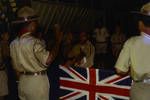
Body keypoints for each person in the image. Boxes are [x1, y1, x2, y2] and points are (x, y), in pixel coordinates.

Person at [10, 6, 63, 100]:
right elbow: (48, 60)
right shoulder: (34, 42)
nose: (36, 24)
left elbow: (15, 69)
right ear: (31, 24)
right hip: (36, 83)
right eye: (35, 22)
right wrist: (58, 41)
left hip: (22, 82)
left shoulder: (13, 43)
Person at [115, 2, 150, 100]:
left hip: (142, 91)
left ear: (141, 23)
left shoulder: (132, 43)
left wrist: (133, 71)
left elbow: (120, 70)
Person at [0, 31, 9, 100]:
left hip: (3, 69)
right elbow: (6, 55)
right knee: (2, 92)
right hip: (1, 71)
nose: (8, 36)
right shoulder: (3, 44)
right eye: (6, 34)